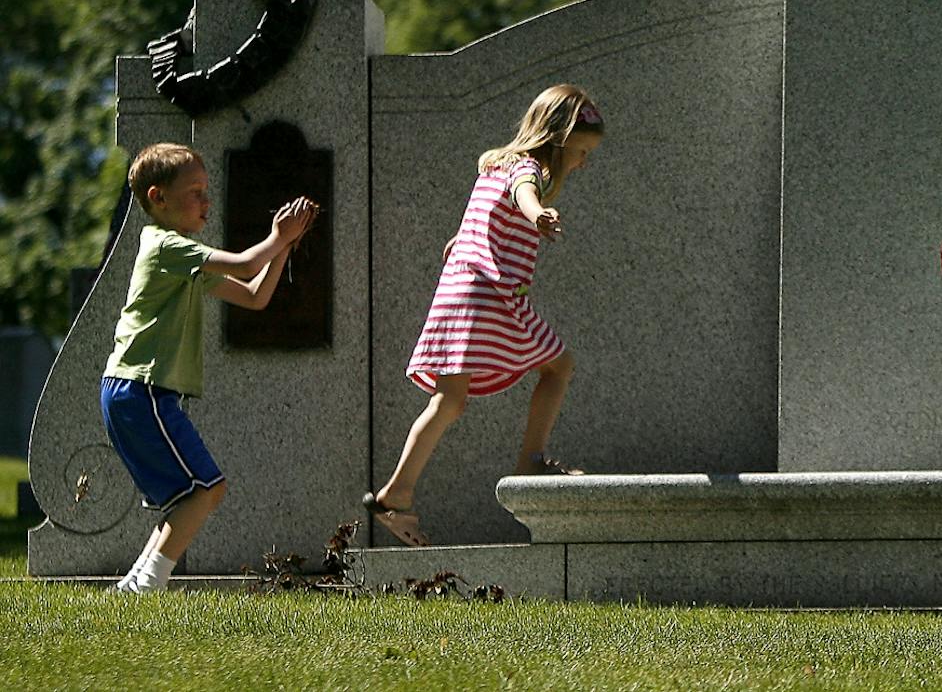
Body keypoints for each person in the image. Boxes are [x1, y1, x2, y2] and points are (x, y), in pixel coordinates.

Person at [363, 84, 604, 546]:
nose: (582, 163)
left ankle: (397, 493)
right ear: (556, 140)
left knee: (449, 401)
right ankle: (530, 459)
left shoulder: (494, 166)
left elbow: (479, 219)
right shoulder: (525, 169)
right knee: (560, 367)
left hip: (461, 291)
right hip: (490, 296)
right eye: (580, 152)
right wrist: (538, 215)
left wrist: (462, 240)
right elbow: (524, 192)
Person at [102, 142, 319, 592]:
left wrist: (284, 247)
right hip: (139, 388)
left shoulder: (180, 256)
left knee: (187, 496)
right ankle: (148, 586)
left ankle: (134, 586)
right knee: (207, 488)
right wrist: (278, 236)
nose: (207, 201)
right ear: (158, 198)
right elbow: (244, 263)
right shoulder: (166, 246)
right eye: (196, 191)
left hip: (140, 392)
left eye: (207, 190)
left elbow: (255, 295)